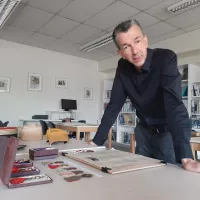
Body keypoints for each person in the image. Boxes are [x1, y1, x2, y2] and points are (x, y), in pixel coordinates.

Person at [89, 19, 200, 173]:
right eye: (126, 47)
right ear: (120, 53)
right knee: (141, 174)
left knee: (170, 179)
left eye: (137, 41)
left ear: (145, 40)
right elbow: (114, 105)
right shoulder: (122, 67)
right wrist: (96, 143)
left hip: (169, 132)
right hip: (143, 131)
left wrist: (186, 156)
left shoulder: (165, 59)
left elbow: (173, 105)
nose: (135, 51)